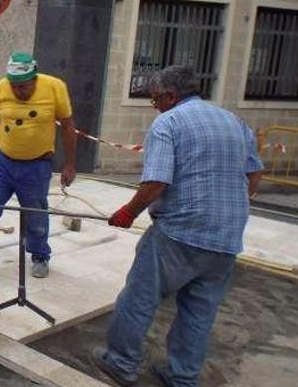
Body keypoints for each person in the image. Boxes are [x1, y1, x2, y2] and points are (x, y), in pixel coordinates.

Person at [92, 65, 263, 387]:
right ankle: (182, 377)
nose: (154, 106)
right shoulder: (234, 122)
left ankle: (120, 363)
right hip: (227, 237)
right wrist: (235, 204)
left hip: (180, 232)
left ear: (171, 96)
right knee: (199, 311)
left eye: (156, 99)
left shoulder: (168, 123)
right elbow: (254, 174)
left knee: (139, 299)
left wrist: (128, 212)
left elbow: (157, 181)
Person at [0, 52, 76, 283]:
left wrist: (69, 164)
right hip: (2, 162)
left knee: (36, 214)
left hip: (37, 164)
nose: (18, 91)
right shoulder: (1, 89)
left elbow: (69, 127)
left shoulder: (54, 88)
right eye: (14, 85)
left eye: (23, 86)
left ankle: (40, 256)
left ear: (34, 77)